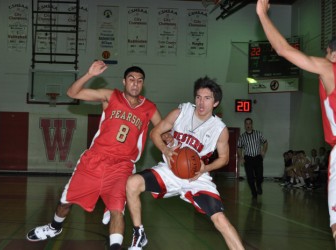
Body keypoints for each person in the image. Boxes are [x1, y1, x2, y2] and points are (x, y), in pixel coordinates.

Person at [26, 60, 162, 250]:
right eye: (131, 79)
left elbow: (162, 130)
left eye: (139, 81)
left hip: (122, 166)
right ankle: (54, 227)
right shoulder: (110, 96)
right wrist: (90, 74)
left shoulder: (149, 108)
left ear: (143, 84)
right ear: (124, 82)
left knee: (117, 211)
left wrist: (173, 141)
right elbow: (72, 93)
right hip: (95, 159)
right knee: (65, 202)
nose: (135, 83)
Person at [126, 76, 245, 250]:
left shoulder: (219, 129)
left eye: (207, 98)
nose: (201, 103)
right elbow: (155, 133)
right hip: (170, 169)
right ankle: (139, 233)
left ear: (216, 102)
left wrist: (206, 167)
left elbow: (224, 158)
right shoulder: (181, 112)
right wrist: (166, 150)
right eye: (198, 97)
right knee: (132, 183)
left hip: (197, 176)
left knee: (220, 219)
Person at [256, 0, 336, 240]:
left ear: (333, 54)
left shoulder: (330, 68)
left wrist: (262, 14)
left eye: (326, 53)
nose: (324, 57)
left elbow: (283, 50)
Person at [237, 118, 268, 198]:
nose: (248, 125)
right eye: (246, 124)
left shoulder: (258, 134)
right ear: (244, 125)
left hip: (257, 157)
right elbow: (239, 147)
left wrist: (263, 150)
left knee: (259, 176)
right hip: (248, 159)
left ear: (252, 124)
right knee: (250, 177)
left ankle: (258, 185)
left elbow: (265, 142)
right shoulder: (242, 137)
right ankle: (254, 192)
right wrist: (241, 157)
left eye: (249, 123)